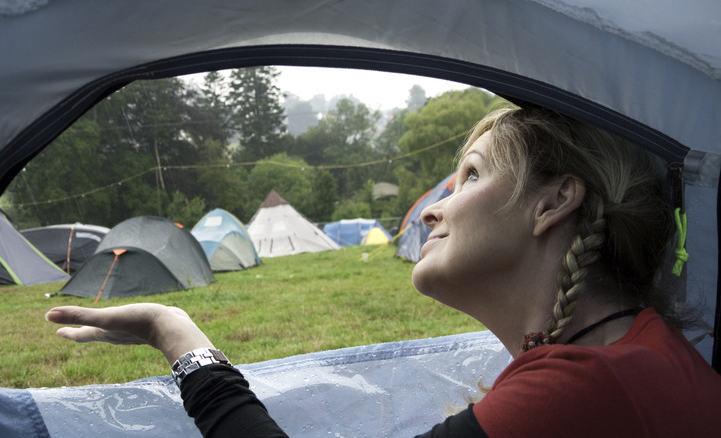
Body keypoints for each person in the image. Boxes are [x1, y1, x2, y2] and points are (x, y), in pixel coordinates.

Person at [46, 107, 721, 437]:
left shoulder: (584, 390)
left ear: (553, 202)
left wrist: (177, 334)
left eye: (472, 176)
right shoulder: (638, 350)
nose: (431, 209)